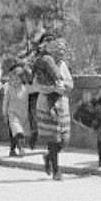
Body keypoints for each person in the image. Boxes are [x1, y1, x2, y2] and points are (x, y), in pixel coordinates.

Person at [33, 36, 74, 180]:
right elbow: (36, 85)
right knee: (53, 139)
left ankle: (49, 157)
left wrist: (65, 87)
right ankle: (57, 170)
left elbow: (70, 83)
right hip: (47, 105)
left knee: (64, 140)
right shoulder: (43, 64)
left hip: (62, 105)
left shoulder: (63, 65)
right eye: (58, 49)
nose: (61, 52)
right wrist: (52, 88)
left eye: (63, 49)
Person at [2, 64, 31, 157]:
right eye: (12, 80)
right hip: (13, 115)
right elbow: (5, 102)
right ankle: (21, 149)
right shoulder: (9, 89)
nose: (14, 82)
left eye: (17, 79)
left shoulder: (26, 88)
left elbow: (36, 87)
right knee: (18, 132)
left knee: (16, 134)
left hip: (23, 115)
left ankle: (12, 149)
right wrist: (5, 114)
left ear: (22, 79)